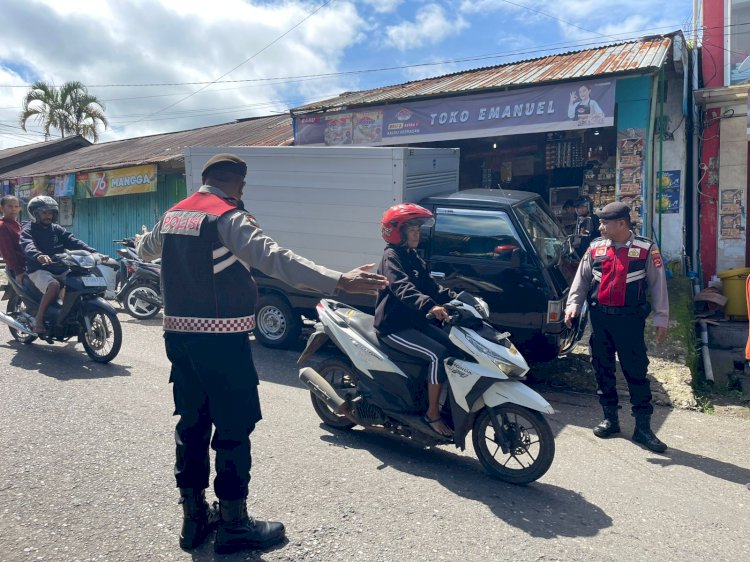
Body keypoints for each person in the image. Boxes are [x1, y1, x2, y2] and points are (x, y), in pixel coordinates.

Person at [137, 154, 387, 554]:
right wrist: (340, 281)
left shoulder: (172, 216)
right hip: (222, 342)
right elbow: (275, 259)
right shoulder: (228, 217)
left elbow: (145, 249)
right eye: (242, 188)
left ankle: (193, 519)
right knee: (234, 428)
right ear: (238, 185)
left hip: (178, 340)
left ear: (203, 181)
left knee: (192, 423)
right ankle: (234, 524)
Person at [564, 201, 669, 453]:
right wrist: (573, 304)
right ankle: (610, 419)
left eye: (604, 223)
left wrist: (661, 317)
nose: (600, 227)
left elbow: (658, 285)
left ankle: (643, 428)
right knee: (602, 368)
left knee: (636, 371)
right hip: (600, 320)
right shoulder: (596, 248)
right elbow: (582, 279)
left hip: (630, 321)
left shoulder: (646, 249)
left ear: (622, 223)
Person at [374, 203, 456, 437]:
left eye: (418, 229)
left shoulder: (413, 256)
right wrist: (430, 306)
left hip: (414, 322)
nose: (417, 234)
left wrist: (459, 299)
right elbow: (402, 287)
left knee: (454, 348)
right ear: (397, 232)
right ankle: (432, 415)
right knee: (437, 356)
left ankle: (447, 405)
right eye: (412, 229)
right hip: (394, 327)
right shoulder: (392, 257)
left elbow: (431, 286)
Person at [20, 196, 100, 335]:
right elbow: (27, 244)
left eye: (50, 213)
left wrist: (94, 252)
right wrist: (38, 255)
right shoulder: (28, 228)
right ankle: (38, 320)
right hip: (38, 269)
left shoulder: (56, 229)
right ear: (34, 213)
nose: (48, 216)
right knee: (54, 286)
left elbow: (73, 241)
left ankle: (69, 317)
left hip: (59, 267)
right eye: (44, 213)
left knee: (76, 284)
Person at [0, 195, 26, 284]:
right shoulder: (3, 226)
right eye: (10, 206)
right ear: (2, 208)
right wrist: (18, 271)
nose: (13, 209)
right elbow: (7, 251)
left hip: (26, 266)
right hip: (17, 269)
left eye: (16, 206)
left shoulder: (17, 224)